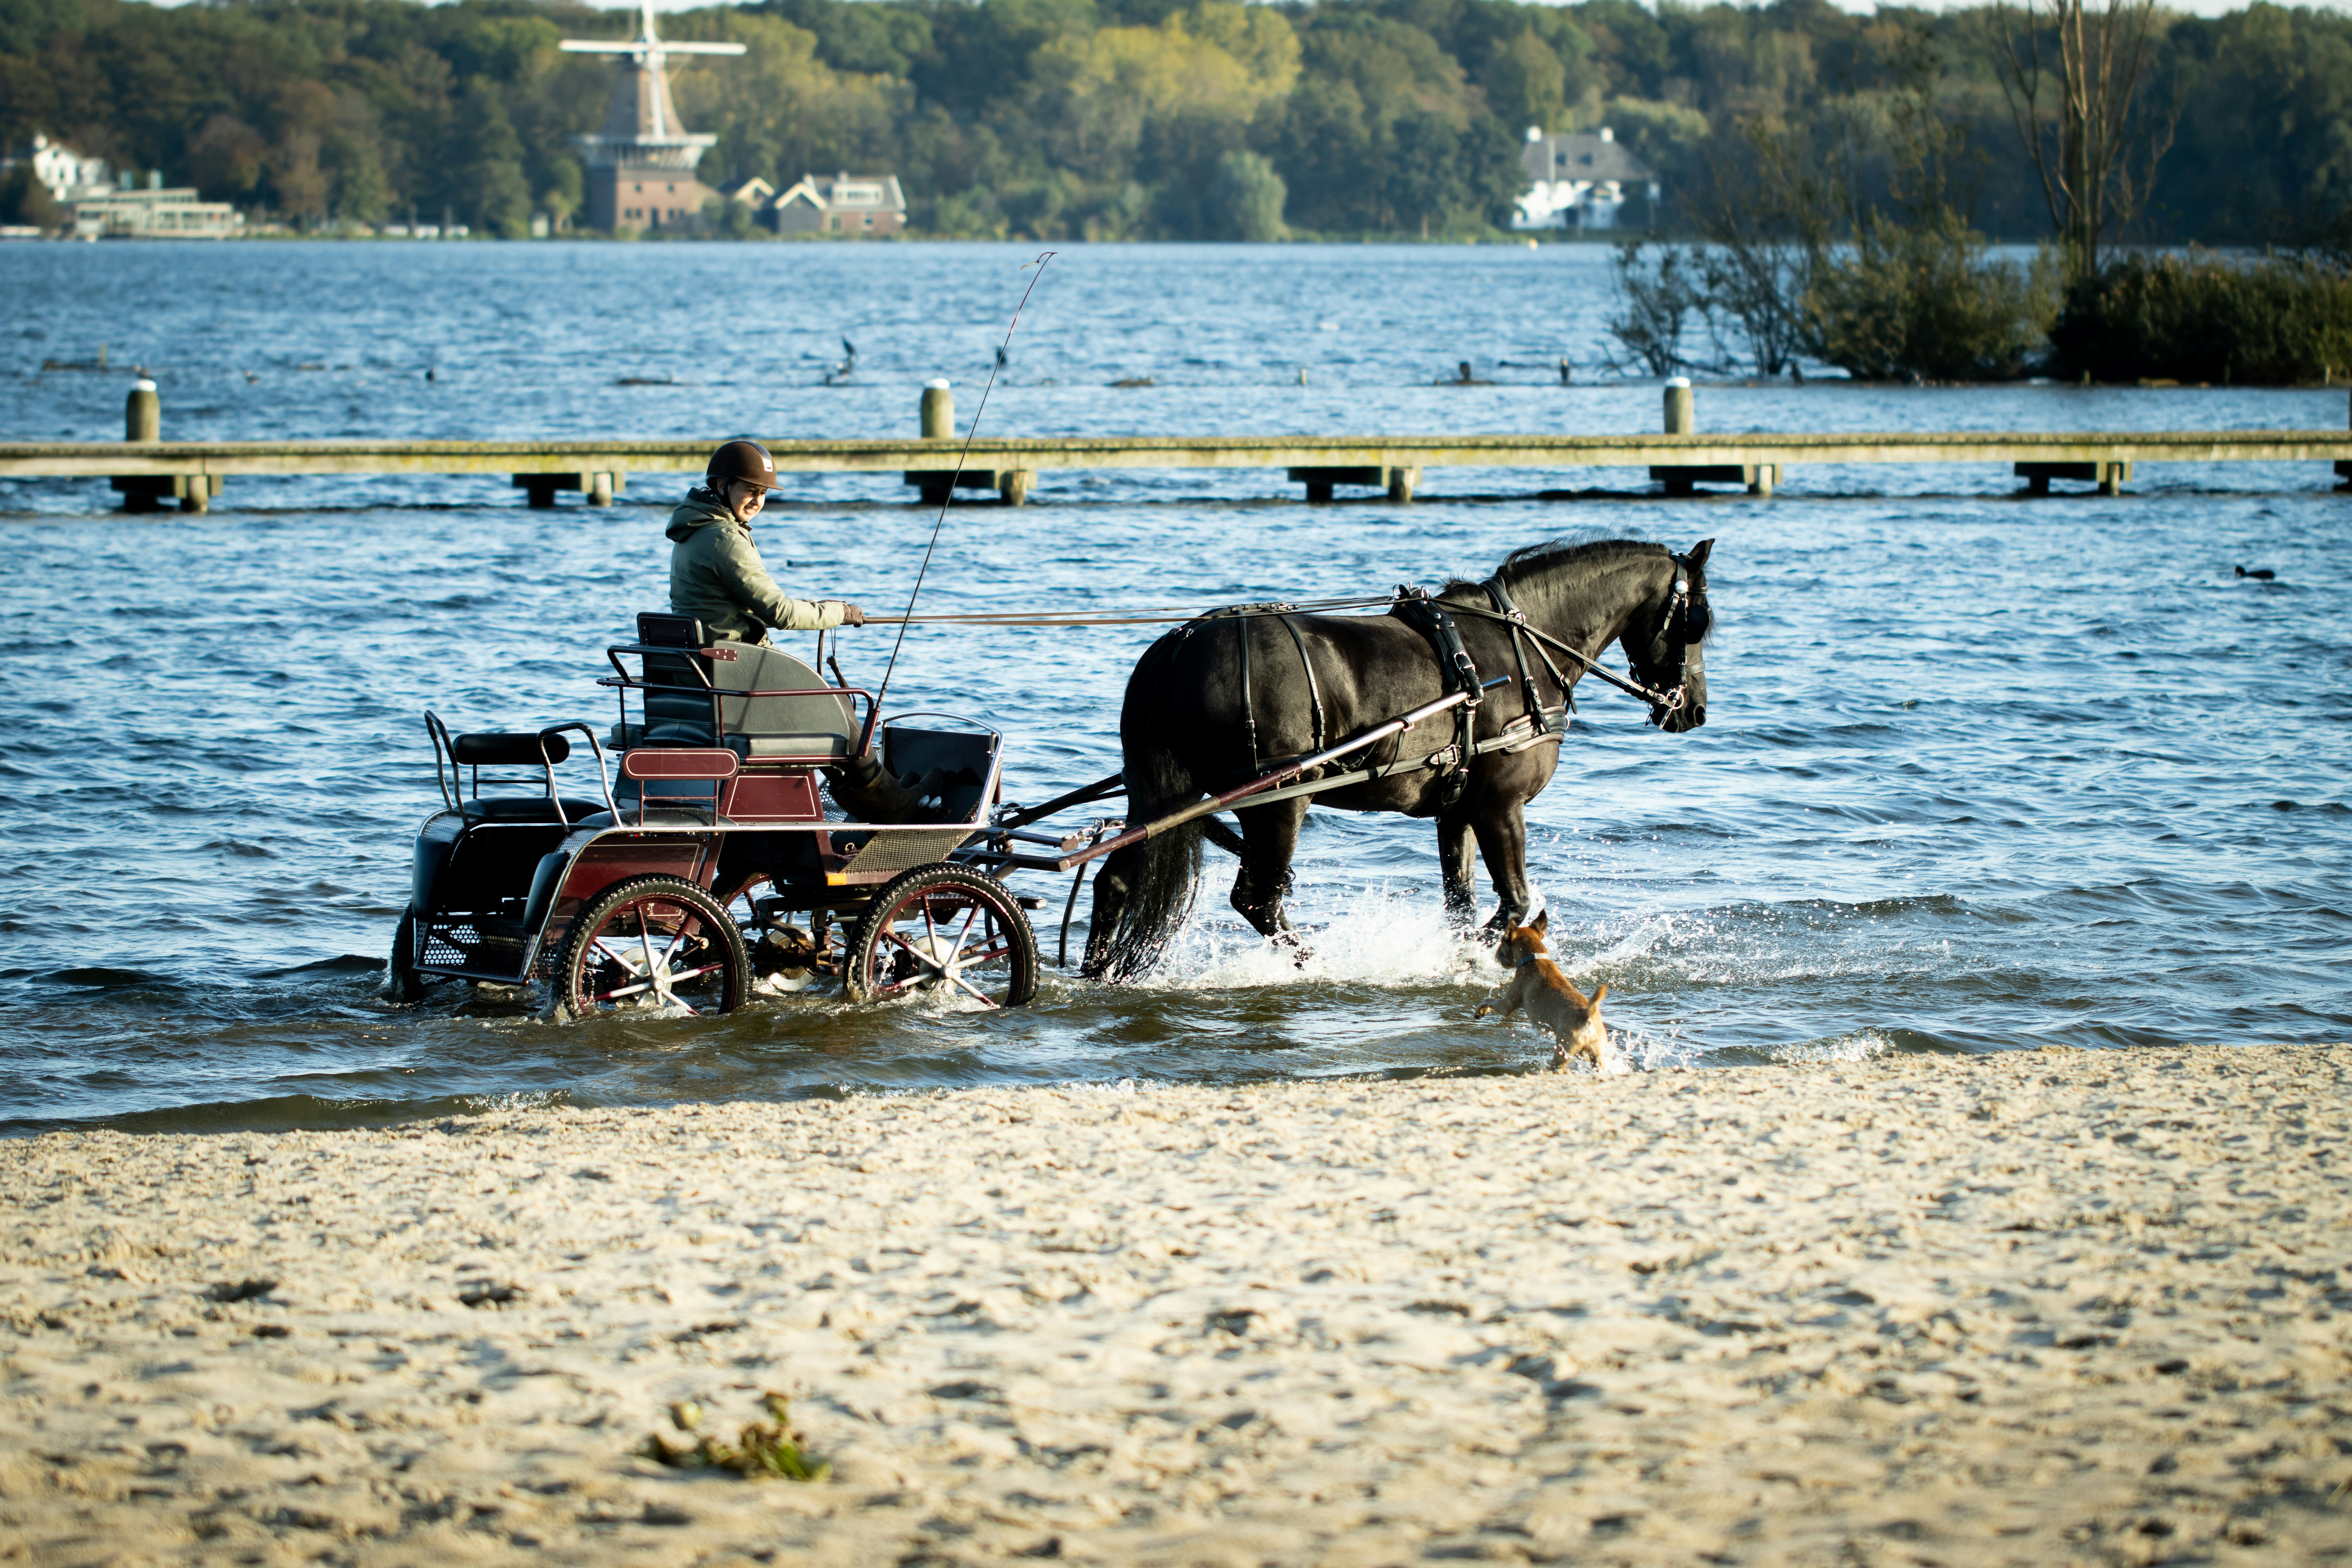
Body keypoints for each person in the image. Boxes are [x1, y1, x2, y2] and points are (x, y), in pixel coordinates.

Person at [668, 439, 866, 643]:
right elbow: (781, 614)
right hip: (731, 660)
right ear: (721, 486)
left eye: (763, 493)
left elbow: (736, 610)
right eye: (750, 491)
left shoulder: (692, 529)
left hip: (697, 657)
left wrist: (818, 608)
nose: (757, 502)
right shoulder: (726, 539)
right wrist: (840, 613)